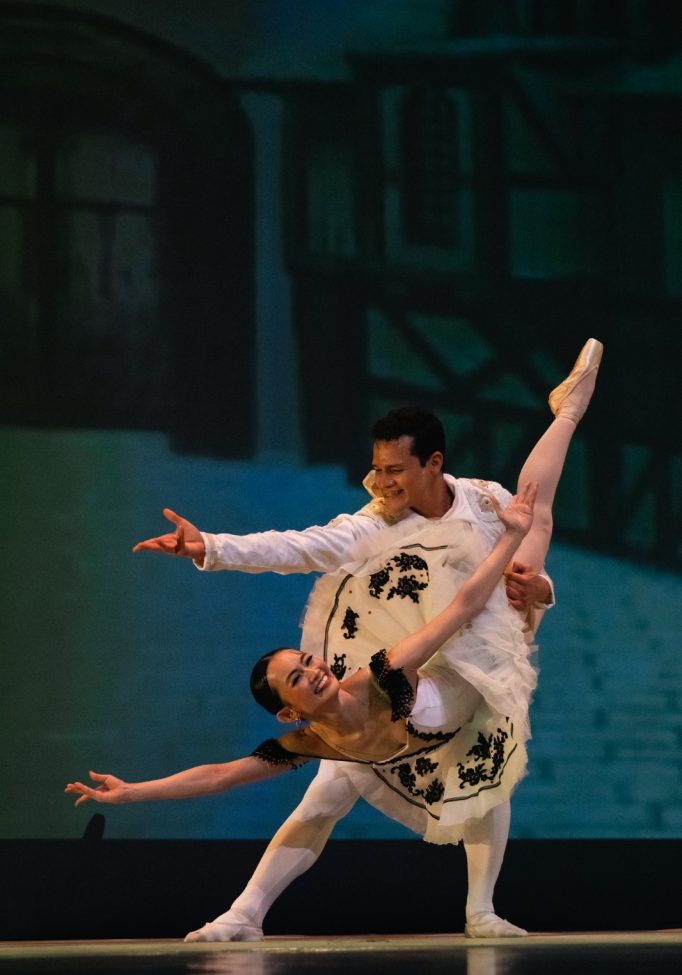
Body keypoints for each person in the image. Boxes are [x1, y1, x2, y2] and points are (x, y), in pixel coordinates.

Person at [126, 339, 603, 940]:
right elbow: (299, 547)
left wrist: (539, 586)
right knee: (329, 792)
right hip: (418, 650)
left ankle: (567, 413)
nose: (380, 481)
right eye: (377, 467)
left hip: (476, 638)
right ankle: (243, 914)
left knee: (534, 521)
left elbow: (477, 600)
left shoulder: (483, 501)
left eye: (394, 469)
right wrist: (214, 547)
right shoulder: (373, 525)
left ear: (433, 463)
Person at [66, 482, 536, 903]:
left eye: (308, 661)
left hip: (476, 674)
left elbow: (463, 606)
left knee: (540, 521)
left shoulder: (383, 672)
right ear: (289, 714)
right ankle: (244, 913)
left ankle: (565, 423)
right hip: (407, 742)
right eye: (297, 679)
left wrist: (512, 535)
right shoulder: (310, 743)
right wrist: (131, 793)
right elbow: (219, 776)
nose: (314, 671)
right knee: (323, 800)